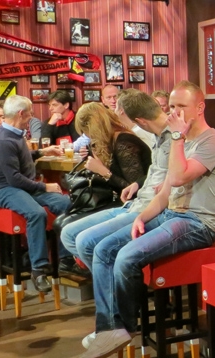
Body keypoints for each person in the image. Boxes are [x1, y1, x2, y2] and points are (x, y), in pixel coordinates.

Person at [72, 82, 215, 358]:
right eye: (172, 106)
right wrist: (141, 217)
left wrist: (177, 137)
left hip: (198, 222)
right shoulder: (179, 141)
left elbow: (179, 177)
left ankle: (125, 326)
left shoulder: (213, 141)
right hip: (171, 215)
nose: (174, 113)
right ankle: (109, 327)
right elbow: (165, 193)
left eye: (181, 107)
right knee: (104, 249)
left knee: (126, 256)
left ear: (200, 107)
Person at [61, 90, 170, 284]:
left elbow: (131, 188)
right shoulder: (111, 140)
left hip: (136, 203)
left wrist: (104, 172)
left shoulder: (124, 141)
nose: (86, 136)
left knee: (78, 235)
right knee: (66, 230)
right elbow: (139, 182)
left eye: (86, 131)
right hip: (128, 200)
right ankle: (109, 280)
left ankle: (114, 282)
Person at [0, 95, 71, 293]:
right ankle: (38, 269)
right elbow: (14, 179)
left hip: (22, 187)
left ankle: (65, 258)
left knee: (66, 204)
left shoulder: (14, 134)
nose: (31, 117)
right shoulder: (3, 139)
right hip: (4, 190)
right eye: (30, 113)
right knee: (36, 213)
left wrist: (42, 152)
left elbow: (18, 158)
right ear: (20, 113)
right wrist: (45, 187)